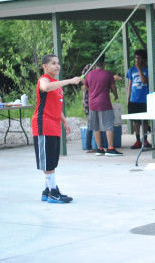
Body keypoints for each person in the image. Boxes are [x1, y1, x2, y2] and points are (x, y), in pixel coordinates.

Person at [32, 54, 81, 203]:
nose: (57, 66)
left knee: (52, 160)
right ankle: (53, 192)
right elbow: (45, 87)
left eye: (58, 63)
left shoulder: (57, 86)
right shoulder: (44, 80)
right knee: (47, 160)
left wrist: (64, 122)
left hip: (53, 125)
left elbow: (56, 106)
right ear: (45, 66)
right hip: (43, 124)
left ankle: (47, 191)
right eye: (53, 63)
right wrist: (70, 81)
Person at [84, 55, 123, 156]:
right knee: (109, 126)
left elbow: (85, 87)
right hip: (104, 103)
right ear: (104, 63)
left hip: (92, 103)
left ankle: (99, 149)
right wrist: (115, 95)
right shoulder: (108, 74)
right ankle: (110, 148)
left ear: (94, 65)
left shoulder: (89, 75)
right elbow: (113, 87)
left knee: (96, 127)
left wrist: (93, 91)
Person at [127, 49, 151, 149]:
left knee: (144, 121)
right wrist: (128, 100)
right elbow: (129, 86)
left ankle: (145, 140)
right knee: (135, 121)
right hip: (134, 99)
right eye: (136, 58)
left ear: (144, 59)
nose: (137, 60)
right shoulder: (131, 70)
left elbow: (144, 81)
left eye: (139, 58)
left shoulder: (148, 69)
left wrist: (140, 69)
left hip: (144, 99)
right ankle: (137, 140)